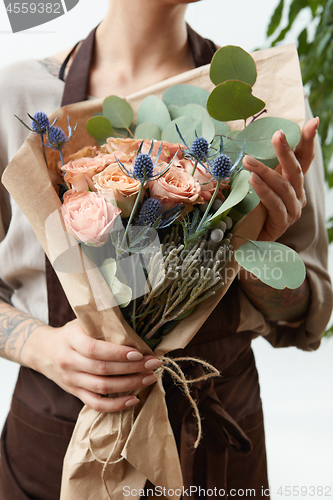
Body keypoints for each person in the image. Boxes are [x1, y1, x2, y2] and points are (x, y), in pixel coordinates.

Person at [0, 1, 332, 499]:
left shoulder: (266, 101)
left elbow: (307, 314)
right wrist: (42, 348)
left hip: (215, 446)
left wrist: (257, 255)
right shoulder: (17, 97)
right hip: (57, 443)